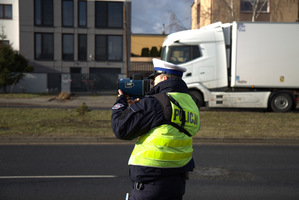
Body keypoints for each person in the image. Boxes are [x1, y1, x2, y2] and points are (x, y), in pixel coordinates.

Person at [111, 58, 200, 200]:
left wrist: (120, 102)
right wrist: (142, 105)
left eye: (155, 77)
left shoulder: (155, 103)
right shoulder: (191, 102)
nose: (152, 82)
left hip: (151, 183)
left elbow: (121, 129)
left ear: (164, 78)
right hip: (177, 181)